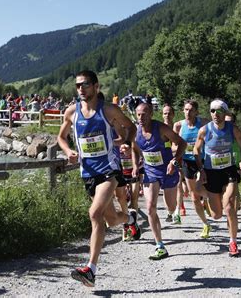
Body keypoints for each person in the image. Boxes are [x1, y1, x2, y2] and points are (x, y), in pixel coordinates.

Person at [57, 70, 140, 287]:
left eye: (85, 85)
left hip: (109, 170)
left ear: (96, 86)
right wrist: (68, 151)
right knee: (112, 220)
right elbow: (61, 137)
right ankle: (130, 220)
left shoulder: (109, 110)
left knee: (94, 214)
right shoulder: (72, 112)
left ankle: (91, 270)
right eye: (77, 86)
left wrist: (125, 143)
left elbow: (131, 127)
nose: (80, 89)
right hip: (88, 172)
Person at [193, 99, 241, 257]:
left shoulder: (233, 129)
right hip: (211, 173)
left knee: (229, 207)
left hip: (229, 171)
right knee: (217, 215)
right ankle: (207, 202)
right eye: (212, 111)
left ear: (225, 113)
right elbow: (196, 150)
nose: (215, 114)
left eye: (218, 111)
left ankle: (232, 242)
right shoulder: (204, 130)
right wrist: (201, 169)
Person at [134, 102, 186, 260]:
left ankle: (172, 212)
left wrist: (174, 160)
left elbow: (182, 143)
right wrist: (136, 164)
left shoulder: (161, 128)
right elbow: (135, 148)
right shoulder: (136, 132)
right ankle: (160, 246)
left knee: (171, 206)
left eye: (144, 114)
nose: (141, 117)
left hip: (168, 171)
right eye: (138, 115)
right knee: (150, 207)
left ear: (150, 114)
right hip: (150, 171)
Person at [173, 99, 212, 238]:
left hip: (203, 161)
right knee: (194, 196)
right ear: (183, 111)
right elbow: (173, 145)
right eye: (186, 110)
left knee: (203, 188)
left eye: (191, 110)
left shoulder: (204, 123)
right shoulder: (178, 126)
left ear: (196, 112)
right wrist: (177, 153)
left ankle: (212, 199)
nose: (188, 112)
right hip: (187, 162)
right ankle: (206, 224)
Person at [161, 104, 187, 223]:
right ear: (162, 115)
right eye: (165, 113)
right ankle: (169, 211)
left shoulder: (177, 127)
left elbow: (181, 143)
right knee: (166, 187)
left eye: (169, 113)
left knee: (178, 184)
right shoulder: (159, 128)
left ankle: (177, 211)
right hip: (163, 160)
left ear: (173, 114)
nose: (167, 115)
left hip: (177, 158)